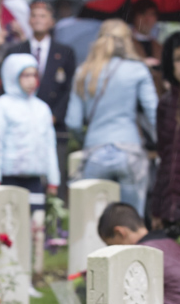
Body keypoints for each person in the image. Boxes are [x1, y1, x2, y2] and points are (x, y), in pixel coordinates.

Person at [66, 19, 158, 216]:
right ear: (127, 41)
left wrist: (87, 139)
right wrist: (159, 143)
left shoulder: (83, 72)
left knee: (91, 220)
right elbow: (153, 112)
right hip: (130, 150)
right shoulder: (137, 70)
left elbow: (72, 121)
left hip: (95, 151)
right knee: (132, 218)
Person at [0, 0, 78, 200]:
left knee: (52, 177)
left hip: (52, 122)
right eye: (33, 15)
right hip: (19, 128)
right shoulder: (15, 50)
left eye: (43, 15)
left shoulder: (66, 53)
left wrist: (55, 116)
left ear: (52, 21)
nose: (38, 19)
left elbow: (68, 89)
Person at [0, 53, 60, 276]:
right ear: (13, 76)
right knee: (11, 227)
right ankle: (8, 272)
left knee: (36, 227)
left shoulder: (42, 108)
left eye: (34, 74)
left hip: (34, 179)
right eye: (25, 75)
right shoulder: (1, 106)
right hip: (9, 176)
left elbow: (49, 144)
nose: (31, 80)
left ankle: (33, 274)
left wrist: (53, 178)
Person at [154, 31, 180, 236]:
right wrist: (157, 207)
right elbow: (165, 158)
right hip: (170, 207)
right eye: (178, 59)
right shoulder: (166, 103)